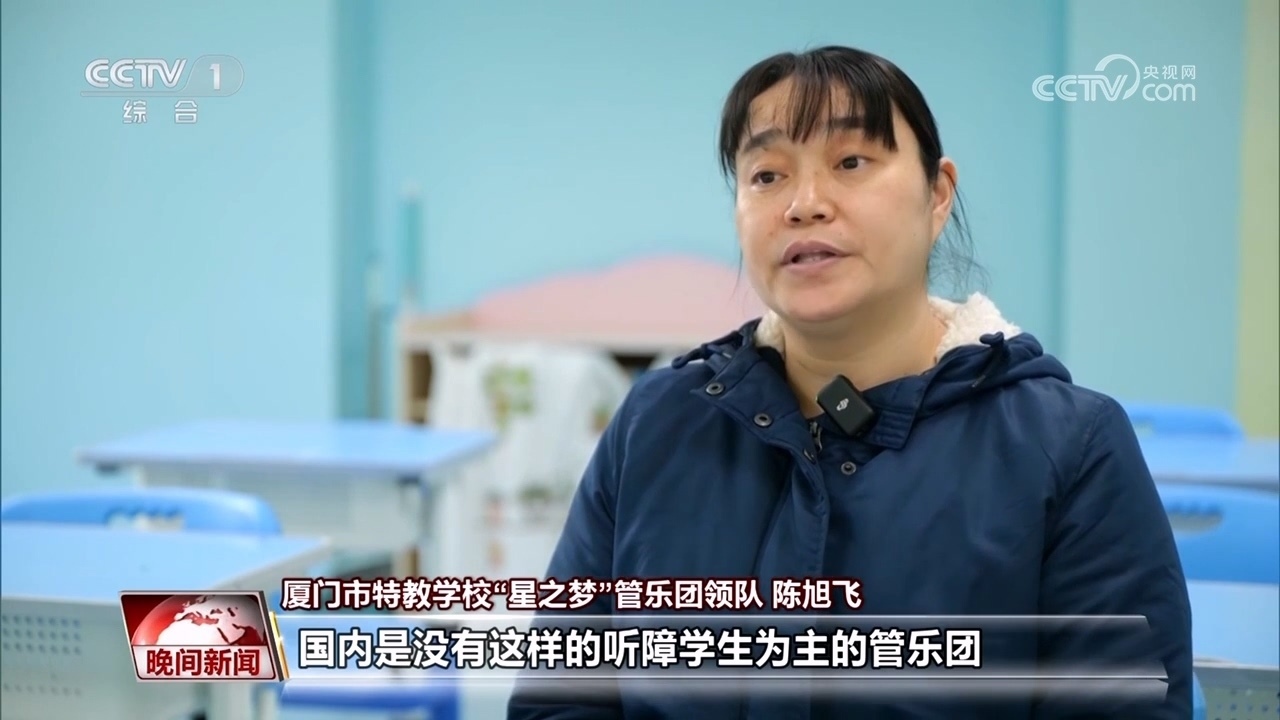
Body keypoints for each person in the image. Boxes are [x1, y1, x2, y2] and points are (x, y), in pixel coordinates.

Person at [507, 45, 1191, 719]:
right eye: (767, 175)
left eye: (851, 163)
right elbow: (559, 697)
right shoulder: (656, 422)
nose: (804, 204)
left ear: (937, 194)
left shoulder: (1068, 448)